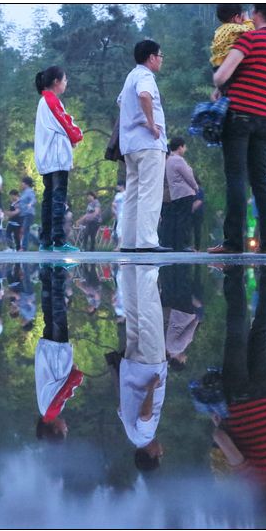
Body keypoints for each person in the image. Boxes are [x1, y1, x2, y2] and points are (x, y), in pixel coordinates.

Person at [207, 4, 266, 254]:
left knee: (236, 177)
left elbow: (220, 76)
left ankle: (233, 242)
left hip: (239, 116)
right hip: (264, 119)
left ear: (257, 12)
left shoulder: (249, 38)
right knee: (261, 179)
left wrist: (220, 81)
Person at [211, 265, 266, 515]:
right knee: (235, 333)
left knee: (261, 332)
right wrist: (220, 426)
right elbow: (221, 440)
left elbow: (261, 434)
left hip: (263, 393)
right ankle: (233, 273)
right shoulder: (251, 480)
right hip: (240, 397)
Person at [117, 40, 172, 253]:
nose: (161, 60)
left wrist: (135, 120)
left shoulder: (131, 75)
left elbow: (122, 101)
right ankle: (147, 241)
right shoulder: (145, 76)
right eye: (160, 55)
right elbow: (144, 95)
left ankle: (129, 241)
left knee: (133, 192)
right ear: (151, 57)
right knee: (150, 191)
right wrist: (151, 123)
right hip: (148, 143)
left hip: (130, 144)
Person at [118, 264, 167, 471]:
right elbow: (120, 409)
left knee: (149, 314)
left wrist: (151, 387)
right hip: (130, 367)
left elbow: (145, 415)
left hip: (149, 368)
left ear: (152, 454)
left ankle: (145, 266)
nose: (162, 451)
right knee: (134, 314)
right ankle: (128, 267)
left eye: (159, 456)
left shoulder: (146, 435)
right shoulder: (130, 435)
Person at [34, 65, 83, 252]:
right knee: (58, 198)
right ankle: (59, 241)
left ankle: (46, 240)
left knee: (49, 198)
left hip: (48, 156)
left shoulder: (44, 101)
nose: (66, 83)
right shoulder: (51, 100)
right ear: (56, 82)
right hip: (56, 157)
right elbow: (65, 121)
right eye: (64, 80)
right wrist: (77, 136)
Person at [35, 265, 84, 441]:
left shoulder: (51, 410)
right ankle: (46, 275)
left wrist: (77, 376)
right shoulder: (43, 409)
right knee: (49, 313)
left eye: (65, 431)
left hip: (56, 356)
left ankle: (58, 274)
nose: (66, 427)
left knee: (58, 311)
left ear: (56, 430)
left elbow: (66, 388)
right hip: (48, 354)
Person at [165, 136, 200, 251]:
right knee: (184, 220)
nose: (185, 149)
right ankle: (183, 245)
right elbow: (188, 176)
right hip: (185, 193)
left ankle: (176, 244)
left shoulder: (168, 160)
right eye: (184, 147)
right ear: (180, 147)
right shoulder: (178, 160)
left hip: (175, 194)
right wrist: (195, 187)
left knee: (177, 219)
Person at [210, 4, 255, 70]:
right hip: (231, 67)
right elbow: (251, 32)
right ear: (236, 18)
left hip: (218, 66)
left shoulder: (219, 31)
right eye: (241, 18)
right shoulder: (234, 28)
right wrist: (247, 20)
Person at [18, 176, 37, 251]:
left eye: (22, 183)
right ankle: (38, 242)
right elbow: (22, 202)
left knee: (25, 229)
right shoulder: (24, 192)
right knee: (26, 230)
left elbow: (34, 199)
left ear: (26, 184)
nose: (21, 184)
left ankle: (24, 247)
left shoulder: (30, 191)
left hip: (29, 213)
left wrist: (30, 204)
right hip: (23, 214)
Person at [190, 175, 206, 250]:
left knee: (197, 230)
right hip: (194, 213)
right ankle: (192, 246)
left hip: (197, 213)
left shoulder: (199, 189)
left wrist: (191, 209)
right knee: (192, 230)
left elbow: (199, 201)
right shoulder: (190, 189)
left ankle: (197, 247)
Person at [112, 181, 125, 251]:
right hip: (119, 213)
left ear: (122, 186)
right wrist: (114, 212)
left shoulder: (126, 194)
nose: (117, 187)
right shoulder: (117, 195)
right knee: (118, 229)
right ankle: (119, 245)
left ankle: (120, 245)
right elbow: (113, 204)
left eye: (118, 185)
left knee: (120, 229)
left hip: (124, 213)